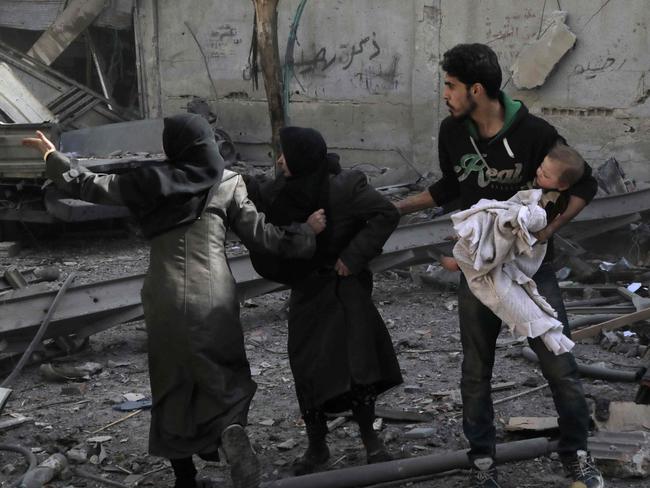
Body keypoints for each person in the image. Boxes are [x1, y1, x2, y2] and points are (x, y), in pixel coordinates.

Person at [22, 115, 326, 488]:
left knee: (172, 382)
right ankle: (230, 427)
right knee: (223, 372)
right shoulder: (228, 182)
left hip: (163, 292)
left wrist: (52, 157)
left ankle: (185, 478)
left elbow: (89, 185)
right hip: (213, 291)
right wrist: (305, 234)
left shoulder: (151, 182)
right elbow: (263, 236)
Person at [394, 43, 604, 488]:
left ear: (476, 89)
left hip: (530, 270)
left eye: (450, 86)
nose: (444, 95)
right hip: (479, 271)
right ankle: (483, 463)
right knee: (476, 370)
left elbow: (585, 181)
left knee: (558, 362)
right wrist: (397, 208)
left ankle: (578, 453)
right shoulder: (451, 133)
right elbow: (450, 186)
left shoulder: (535, 133)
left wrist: (550, 229)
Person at [245, 126, 403, 476]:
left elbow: (386, 214)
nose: (281, 160)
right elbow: (263, 212)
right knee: (307, 368)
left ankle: (370, 441)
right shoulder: (283, 189)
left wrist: (354, 256)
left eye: (286, 153)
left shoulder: (344, 186)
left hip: (344, 290)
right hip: (308, 291)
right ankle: (317, 446)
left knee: (358, 367)